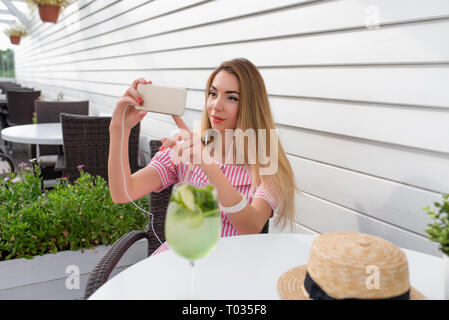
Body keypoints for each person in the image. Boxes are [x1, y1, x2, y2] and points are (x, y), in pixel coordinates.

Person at [108, 58, 299, 254]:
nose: (216, 106)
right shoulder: (185, 148)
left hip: (228, 270)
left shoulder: (265, 163)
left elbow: (250, 226)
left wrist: (208, 165)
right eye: (213, 94)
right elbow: (123, 193)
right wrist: (119, 130)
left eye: (232, 97)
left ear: (251, 105)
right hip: (177, 262)